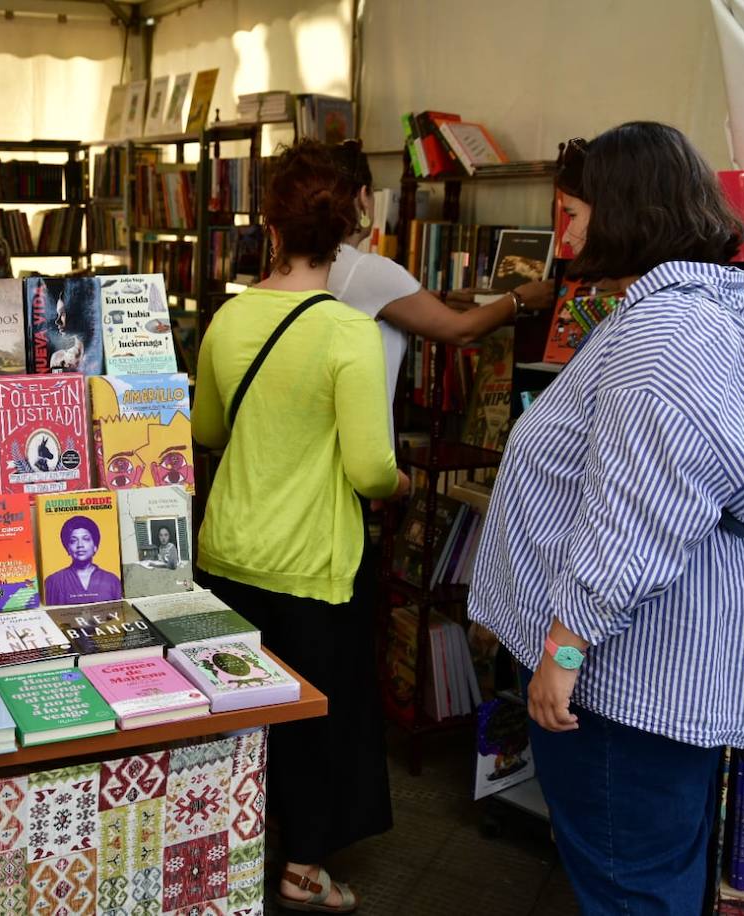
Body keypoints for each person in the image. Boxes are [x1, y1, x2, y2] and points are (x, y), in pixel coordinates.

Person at [467, 122, 744, 914]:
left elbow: (639, 513)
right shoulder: (691, 312)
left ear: (625, 207)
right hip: (648, 675)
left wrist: (565, 644)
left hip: (627, 688)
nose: (566, 231)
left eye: (575, 209)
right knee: (656, 873)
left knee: (631, 885)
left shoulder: (667, 335)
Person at [192, 139, 407, 914]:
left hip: (228, 555)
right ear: (351, 230)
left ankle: (224, 853)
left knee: (239, 718)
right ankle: (303, 867)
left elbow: (208, 430)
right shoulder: (349, 333)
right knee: (322, 724)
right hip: (313, 563)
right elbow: (371, 472)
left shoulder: (228, 317)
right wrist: (404, 478)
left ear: (269, 227)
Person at [328, 139, 553, 407]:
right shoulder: (369, 269)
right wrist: (519, 299)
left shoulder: (321, 265)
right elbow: (460, 330)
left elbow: (380, 302)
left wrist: (440, 297)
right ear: (364, 198)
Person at [43, 516, 122, 605]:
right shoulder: (54, 581)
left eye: (86, 539)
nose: (80, 545)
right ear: (68, 548)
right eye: (73, 541)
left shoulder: (112, 580)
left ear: (95, 546)